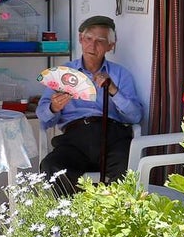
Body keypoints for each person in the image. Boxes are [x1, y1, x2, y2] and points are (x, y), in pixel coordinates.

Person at [37, 15, 144, 193]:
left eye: (100, 41)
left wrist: (113, 90)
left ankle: (114, 209)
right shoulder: (64, 73)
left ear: (111, 46)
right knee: (51, 166)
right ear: (80, 39)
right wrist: (54, 107)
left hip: (112, 137)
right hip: (75, 139)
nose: (92, 46)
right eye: (88, 39)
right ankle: (75, 209)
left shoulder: (120, 74)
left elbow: (136, 116)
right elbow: (42, 116)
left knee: (126, 168)